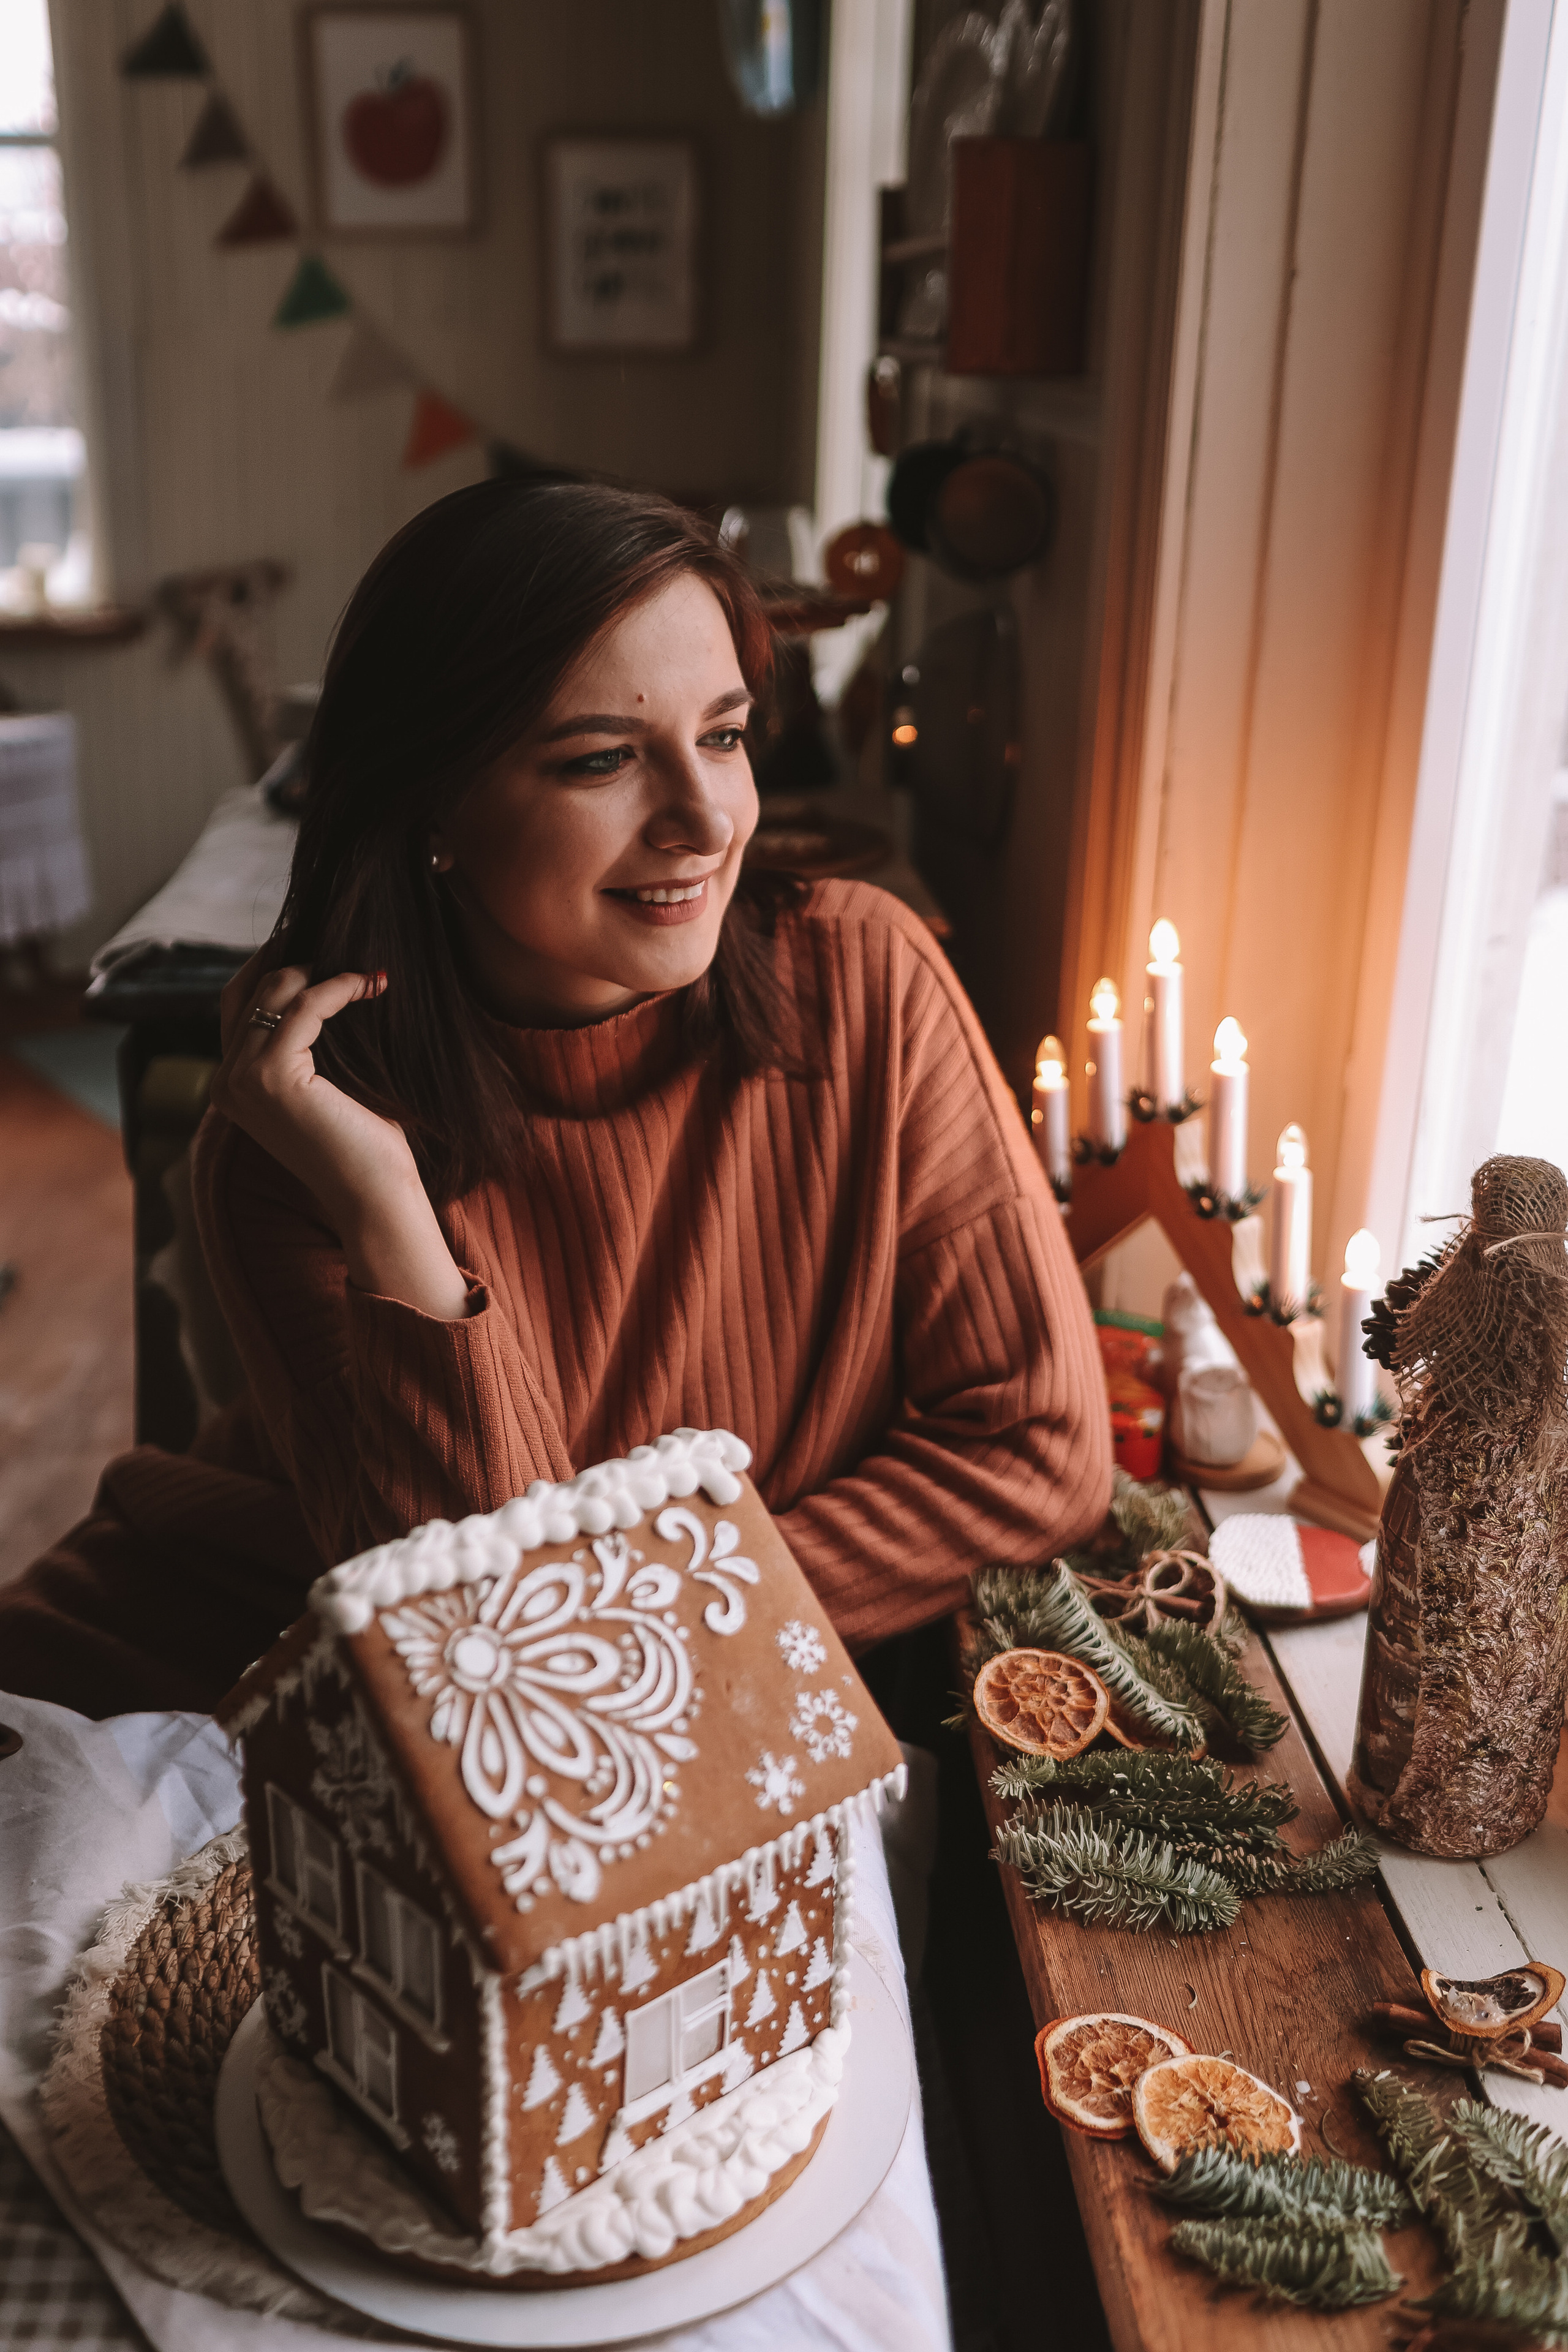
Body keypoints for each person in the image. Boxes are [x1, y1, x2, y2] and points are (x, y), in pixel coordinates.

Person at [2, 478, 1110, 1717]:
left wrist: (617, 1634)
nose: (703, 821)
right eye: (601, 760)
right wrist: (386, 1208)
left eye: (726, 736)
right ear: (434, 808)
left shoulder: (867, 983)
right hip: (209, 1697)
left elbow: (1036, 1457)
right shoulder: (297, 1145)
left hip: (603, 1747)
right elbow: (485, 1650)